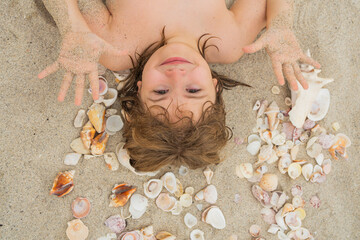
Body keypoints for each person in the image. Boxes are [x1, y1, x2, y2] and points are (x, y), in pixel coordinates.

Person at [38, 0, 321, 172]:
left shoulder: (114, 48)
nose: (176, 75)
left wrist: (71, 26)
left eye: (160, 93)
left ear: (137, 89)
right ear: (214, 87)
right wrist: (282, 23)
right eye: (193, 91)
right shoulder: (232, 42)